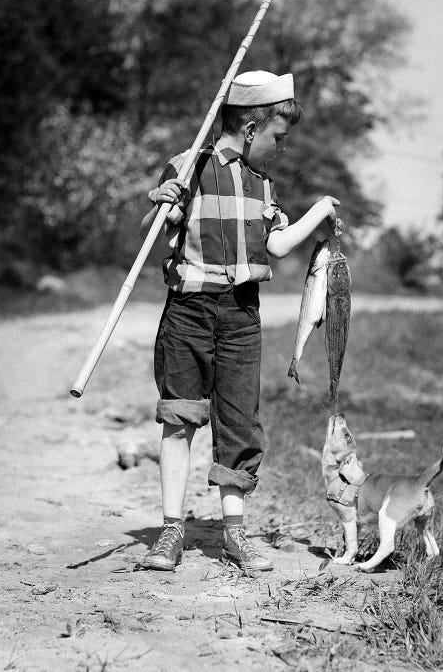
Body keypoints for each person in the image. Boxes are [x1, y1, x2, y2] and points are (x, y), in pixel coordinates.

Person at [140, 71, 339, 571]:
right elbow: (151, 235)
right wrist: (160, 206)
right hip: (188, 311)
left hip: (241, 315)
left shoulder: (262, 184)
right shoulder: (188, 167)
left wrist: (319, 213)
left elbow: (274, 244)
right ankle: (170, 532)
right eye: (278, 137)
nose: (281, 149)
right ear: (251, 128)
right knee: (180, 418)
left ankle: (234, 533)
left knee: (239, 423)